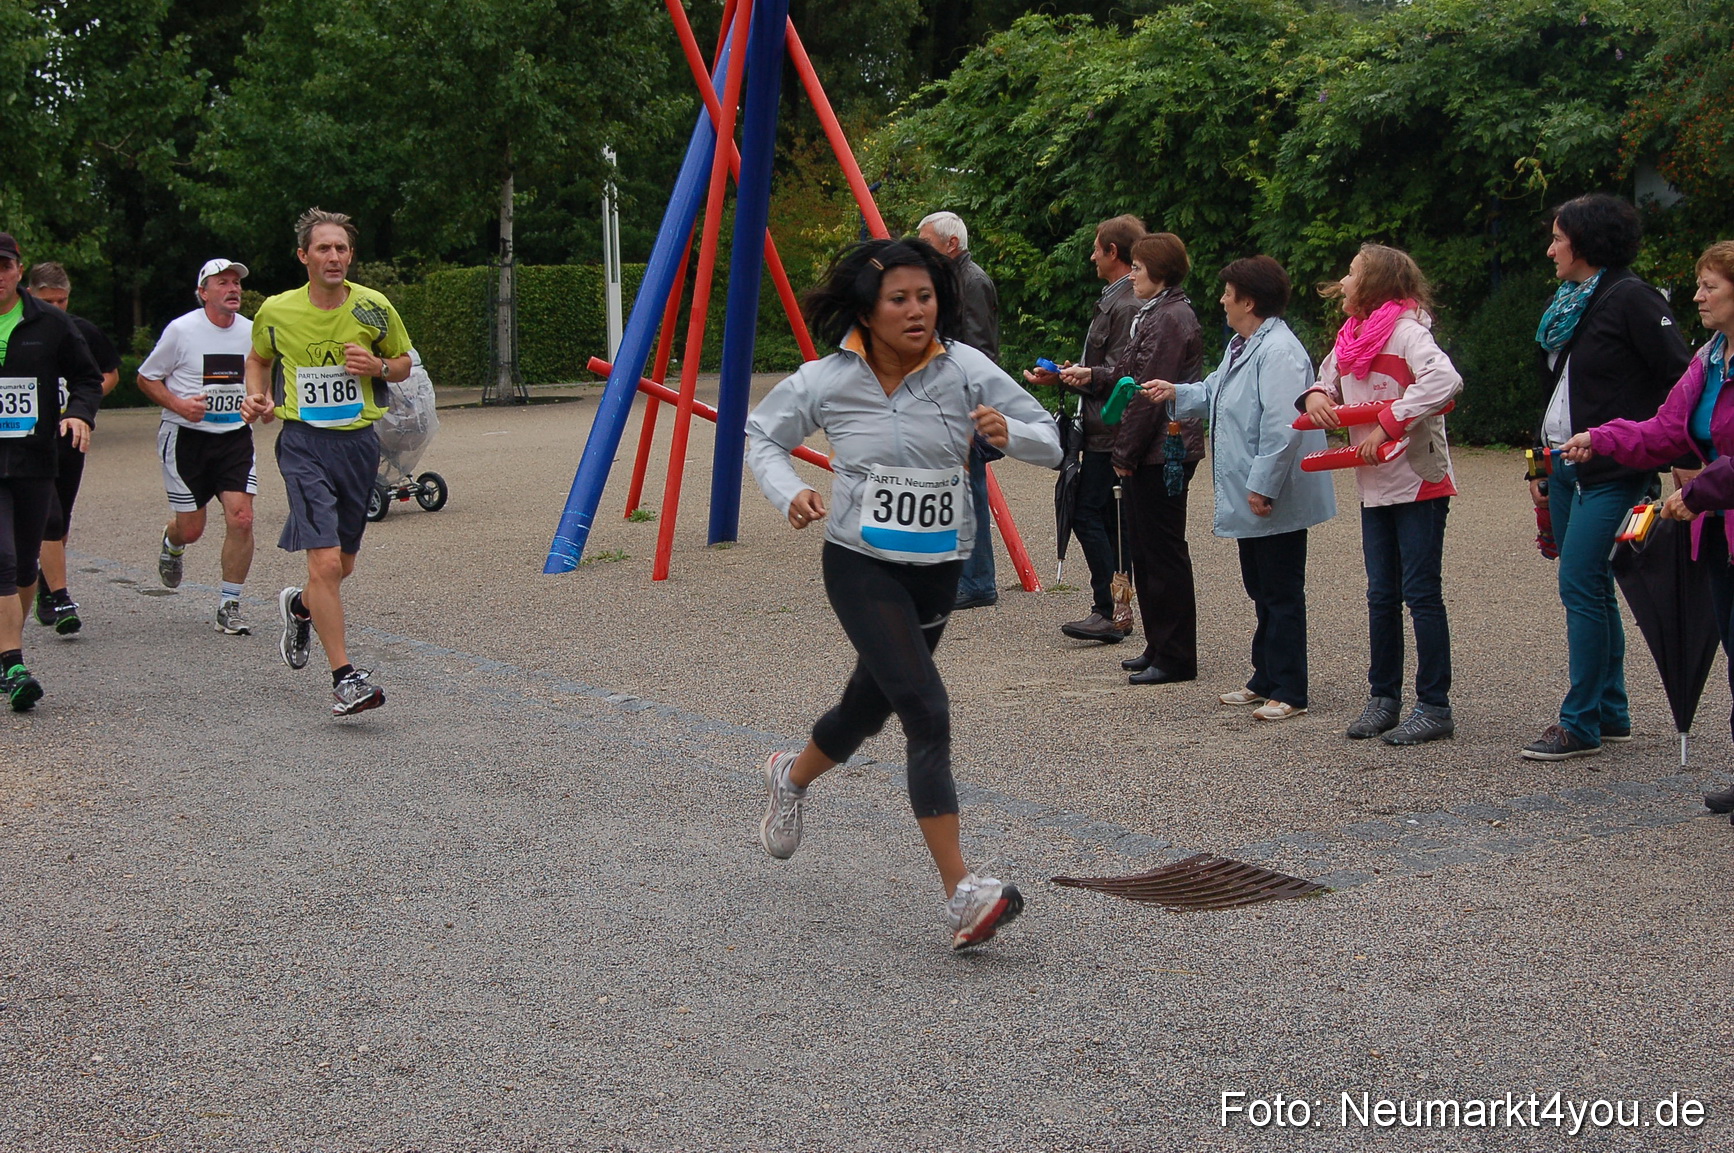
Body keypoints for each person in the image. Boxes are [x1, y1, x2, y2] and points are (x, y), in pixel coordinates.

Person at [745, 237, 1061, 950]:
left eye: (926, 297)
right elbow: (761, 435)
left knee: (868, 706)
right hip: (859, 561)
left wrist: (1012, 433)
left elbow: (1052, 438)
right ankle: (963, 892)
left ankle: (789, 776)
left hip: (937, 564)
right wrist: (789, 490)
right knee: (925, 707)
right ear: (868, 309)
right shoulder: (826, 379)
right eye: (900, 299)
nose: (917, 310)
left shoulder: (966, 369)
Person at [1562, 240, 1734, 812]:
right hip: (1722, 536)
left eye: (1710, 286)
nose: (1697, 296)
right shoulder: (1709, 359)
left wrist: (1699, 491)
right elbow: (1664, 430)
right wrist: (1602, 438)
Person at [1523, 193, 1692, 761]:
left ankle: (1582, 723)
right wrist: (1538, 462)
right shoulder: (1572, 301)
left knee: (1580, 584)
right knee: (1593, 586)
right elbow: (1556, 391)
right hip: (1568, 465)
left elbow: (1682, 380)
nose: (1550, 249)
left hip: (1617, 469)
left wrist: (1675, 463)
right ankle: (1611, 712)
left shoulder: (1634, 299)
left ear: (1587, 241)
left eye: (1557, 238)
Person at [1144, 256, 1336, 721]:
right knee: (1259, 584)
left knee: (1280, 588)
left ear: (1248, 300)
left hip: (1275, 493)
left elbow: (1281, 426)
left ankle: (1290, 688)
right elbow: (1215, 390)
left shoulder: (1280, 352)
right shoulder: (1243, 344)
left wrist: (1263, 487)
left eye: (1228, 292)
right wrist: (1176, 392)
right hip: (1255, 491)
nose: (1222, 300)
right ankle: (1264, 676)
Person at [241, 208, 412, 717]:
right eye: (323, 248)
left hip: (359, 443)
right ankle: (345, 678)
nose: (333, 256)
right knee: (326, 562)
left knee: (343, 566)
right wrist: (257, 397)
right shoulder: (277, 310)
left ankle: (299, 607)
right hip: (303, 443)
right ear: (304, 256)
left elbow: (404, 362)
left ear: (350, 256)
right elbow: (258, 360)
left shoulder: (375, 308)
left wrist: (379, 365)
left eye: (341, 248)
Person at [1304, 244, 1464, 745]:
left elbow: (1445, 379)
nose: (1344, 281)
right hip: (1374, 487)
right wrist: (1315, 397)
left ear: (1374, 284)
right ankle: (1383, 698)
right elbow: (1325, 380)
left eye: (1352, 273)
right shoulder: (1351, 339)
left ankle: (1434, 705)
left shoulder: (1409, 332)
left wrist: (1390, 423)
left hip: (1418, 480)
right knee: (1380, 595)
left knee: (1420, 593)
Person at [1060, 233, 1203, 684]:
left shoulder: (1169, 318)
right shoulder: (1154, 312)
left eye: (1139, 268)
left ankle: (1176, 655)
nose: (1133, 274)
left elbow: (1145, 395)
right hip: (1152, 448)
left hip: (1165, 449)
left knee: (1163, 554)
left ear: (1158, 273)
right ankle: (1159, 645)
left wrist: (1123, 453)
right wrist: (1094, 373)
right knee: (1145, 548)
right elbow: (1127, 372)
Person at [1027, 214, 1147, 643]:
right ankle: (1118, 608)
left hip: (1109, 430)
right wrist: (1064, 375)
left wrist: (1079, 375)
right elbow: (1108, 368)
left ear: (1114, 253)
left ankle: (1108, 607)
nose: (1092, 255)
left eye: (1097, 247)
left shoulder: (1127, 302)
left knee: (1086, 511)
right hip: (1103, 425)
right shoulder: (1118, 299)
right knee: (1109, 518)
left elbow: (1122, 370)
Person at [0, 232, 102, 710]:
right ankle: (14, 663)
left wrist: (79, 412)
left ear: (18, 270)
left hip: (34, 460)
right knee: (1, 560)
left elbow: (87, 376)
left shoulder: (51, 322)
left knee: (23, 566)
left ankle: (6, 653)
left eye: (4, 266)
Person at [136, 258, 259, 635]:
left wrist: (260, 400)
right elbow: (145, 377)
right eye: (222, 283)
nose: (233, 288)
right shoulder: (181, 330)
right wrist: (179, 405)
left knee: (242, 517)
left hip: (234, 437)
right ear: (203, 292)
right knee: (192, 529)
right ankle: (172, 544)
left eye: (236, 282)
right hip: (186, 439)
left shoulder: (253, 331)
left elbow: (262, 372)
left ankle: (229, 603)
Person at [24, 262, 121, 635]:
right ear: (31, 294)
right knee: (47, 516)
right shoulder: (16, 330)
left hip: (69, 437)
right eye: (48, 300)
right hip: (28, 439)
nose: (56, 307)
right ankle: (59, 595)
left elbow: (107, 373)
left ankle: (45, 585)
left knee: (60, 520)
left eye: (62, 300)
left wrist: (80, 408)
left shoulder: (79, 330)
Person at [918, 211, 1002, 611]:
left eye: (927, 242)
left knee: (969, 491)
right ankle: (962, 577)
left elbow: (979, 352)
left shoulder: (971, 283)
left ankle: (978, 581)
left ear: (951, 245)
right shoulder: (951, 282)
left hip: (962, 408)